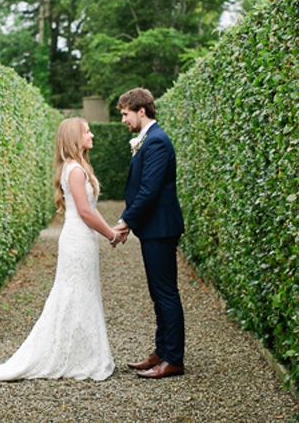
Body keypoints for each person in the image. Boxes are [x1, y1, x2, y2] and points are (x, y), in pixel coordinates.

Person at [0, 117, 119, 387]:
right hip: (77, 240)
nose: (92, 135)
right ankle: (76, 356)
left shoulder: (75, 167)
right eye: (87, 131)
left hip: (82, 239)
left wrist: (111, 230)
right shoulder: (75, 170)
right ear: (74, 137)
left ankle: (81, 354)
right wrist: (110, 234)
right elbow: (85, 212)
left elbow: (90, 209)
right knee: (73, 294)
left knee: (81, 294)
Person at [113, 88, 186, 379]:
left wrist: (125, 222)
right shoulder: (149, 139)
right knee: (158, 293)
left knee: (166, 293)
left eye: (125, 114)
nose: (123, 120)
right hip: (155, 227)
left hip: (161, 227)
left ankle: (174, 359)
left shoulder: (156, 141)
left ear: (141, 111)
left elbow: (149, 190)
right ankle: (162, 351)